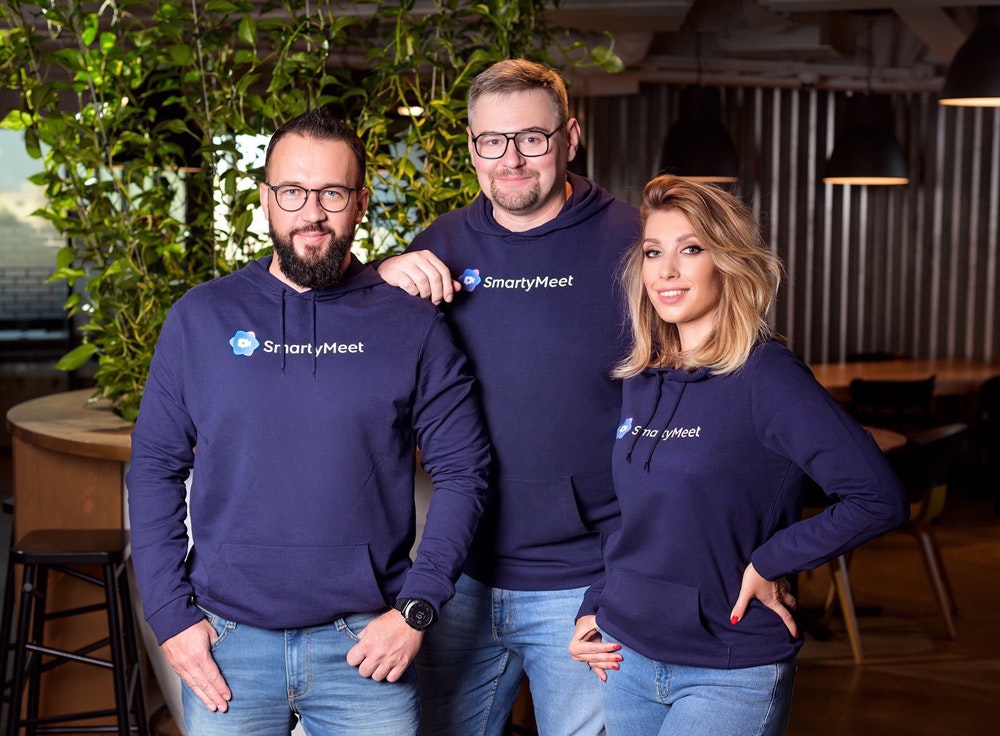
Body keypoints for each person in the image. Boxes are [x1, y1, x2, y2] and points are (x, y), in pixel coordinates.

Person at [125, 108, 491, 735]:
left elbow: (466, 473)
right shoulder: (202, 318)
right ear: (266, 198)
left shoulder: (411, 324)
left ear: (361, 202)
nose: (311, 213)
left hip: (366, 645)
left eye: (332, 193)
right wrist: (169, 616)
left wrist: (417, 609)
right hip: (226, 643)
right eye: (292, 191)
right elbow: (155, 468)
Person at [568, 175, 910, 735]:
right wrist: (596, 604)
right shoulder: (642, 376)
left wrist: (772, 559)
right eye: (654, 252)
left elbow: (878, 498)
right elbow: (630, 519)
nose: (667, 271)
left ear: (727, 262)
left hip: (727, 666)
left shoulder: (768, 376)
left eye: (691, 249)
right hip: (625, 655)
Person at [376, 59, 640, 735]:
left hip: (588, 582)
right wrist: (379, 276)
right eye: (492, 141)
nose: (511, 160)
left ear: (570, 137)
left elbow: (704, 388)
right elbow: (362, 360)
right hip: (460, 574)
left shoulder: (635, 243)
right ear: (471, 145)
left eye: (532, 139)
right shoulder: (439, 244)